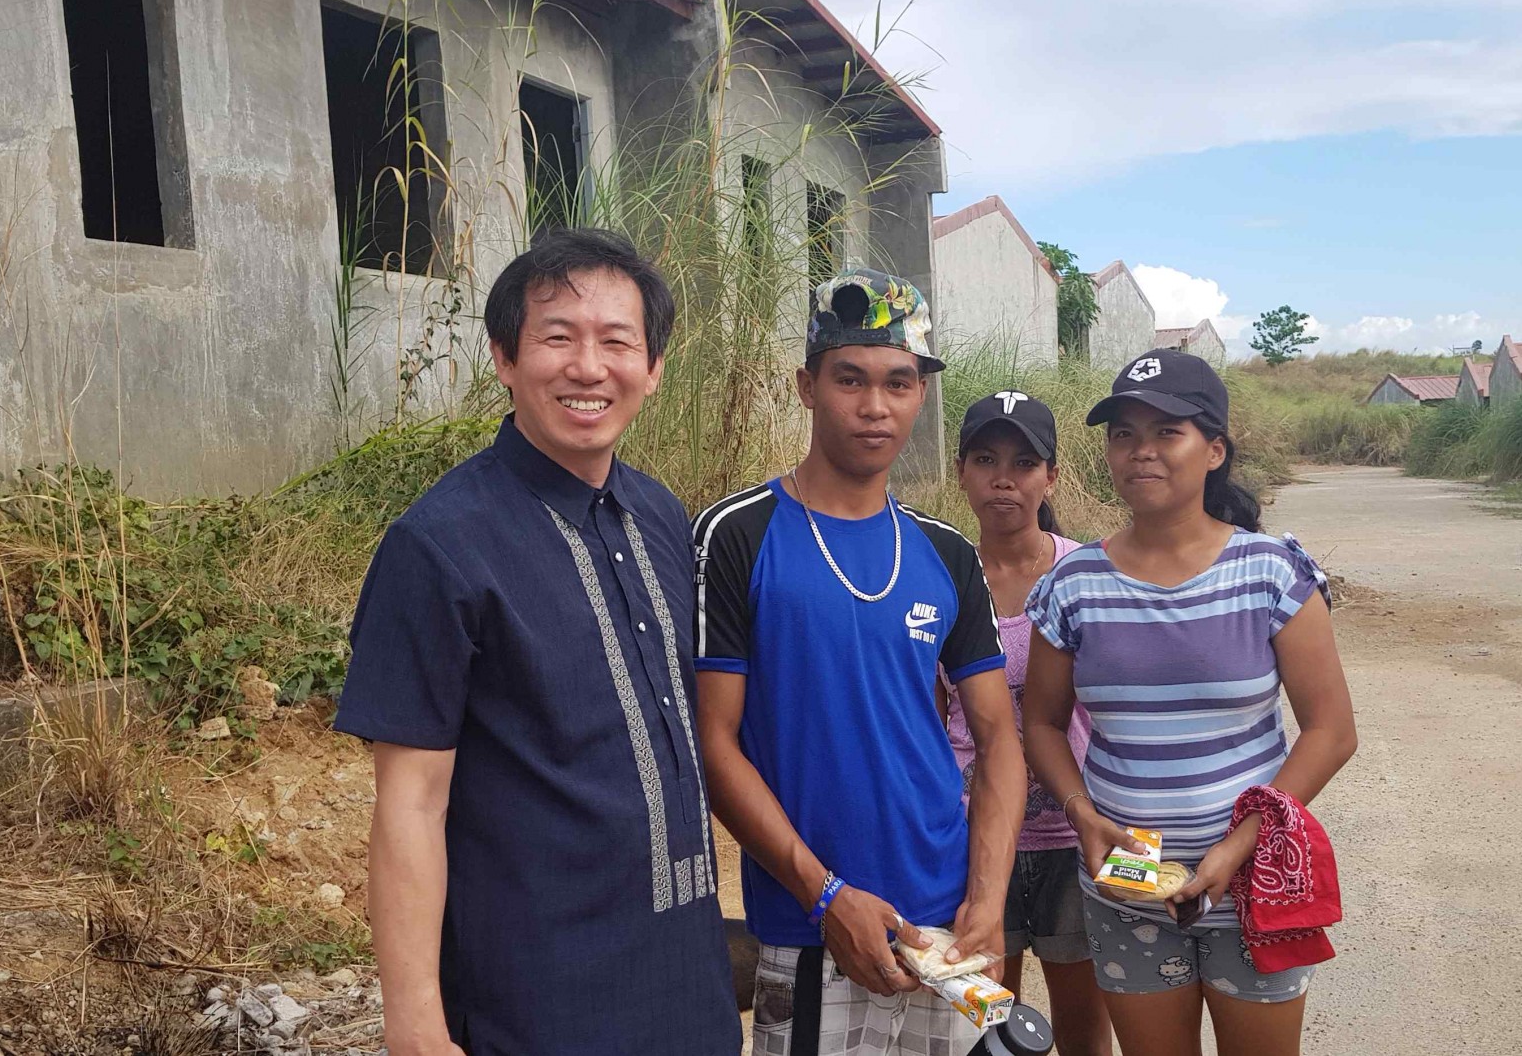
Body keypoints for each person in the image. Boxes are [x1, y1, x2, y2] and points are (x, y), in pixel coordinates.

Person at [335, 228, 738, 1056]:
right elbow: (411, 803)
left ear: (653, 369)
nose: (588, 368)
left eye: (617, 342)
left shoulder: (660, 515)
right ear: (504, 357)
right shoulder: (439, 546)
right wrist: (414, 1020)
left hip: (686, 984)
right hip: (534, 997)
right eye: (558, 337)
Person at [694, 269, 1026, 1056]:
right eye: (850, 379)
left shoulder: (946, 553)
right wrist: (827, 897)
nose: (876, 406)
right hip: (812, 926)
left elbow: (999, 739)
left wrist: (987, 901)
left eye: (898, 383)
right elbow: (715, 743)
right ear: (807, 387)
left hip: (946, 928)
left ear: (920, 395)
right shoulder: (736, 534)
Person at [1021, 349, 1358, 1056]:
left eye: (1166, 432)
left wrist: (1238, 847)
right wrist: (1082, 814)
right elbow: (1043, 723)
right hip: (1127, 887)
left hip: (1253, 884)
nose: (1140, 450)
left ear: (1214, 451)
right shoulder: (1072, 584)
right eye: (1123, 434)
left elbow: (1331, 731)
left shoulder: (1271, 573)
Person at [944, 390, 1114, 1056]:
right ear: (961, 471)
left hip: (1077, 836)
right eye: (985, 459)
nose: (1003, 479)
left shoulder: (1087, 575)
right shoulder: (941, 576)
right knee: (987, 1027)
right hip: (976, 838)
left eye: (1024, 463)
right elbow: (929, 713)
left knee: (1082, 1026)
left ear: (1052, 477)